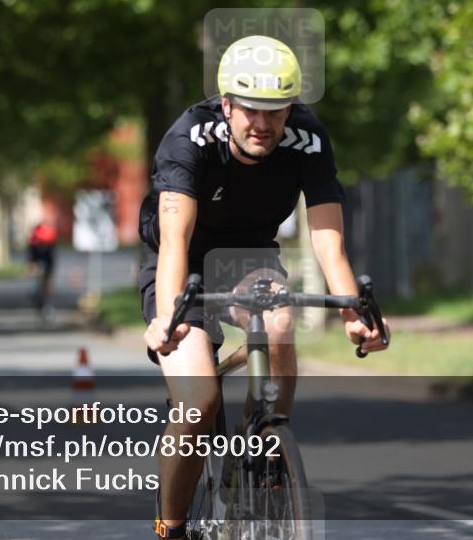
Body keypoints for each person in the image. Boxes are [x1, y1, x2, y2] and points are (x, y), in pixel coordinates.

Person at [139, 35, 390, 539]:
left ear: (291, 108)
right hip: (181, 260)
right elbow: (173, 240)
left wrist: (352, 316)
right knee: (198, 402)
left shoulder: (309, 139)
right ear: (227, 104)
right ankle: (171, 527)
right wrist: (168, 318)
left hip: (250, 256)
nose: (262, 124)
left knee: (278, 325)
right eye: (251, 109)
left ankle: (268, 454)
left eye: (275, 112)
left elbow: (328, 242)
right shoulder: (190, 138)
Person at [27, 219, 58, 315]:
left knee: (38, 278)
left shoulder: (34, 236)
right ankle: (48, 303)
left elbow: (31, 254)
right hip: (48, 260)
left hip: (38, 259)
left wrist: (31, 267)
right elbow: (52, 253)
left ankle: (38, 295)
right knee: (48, 283)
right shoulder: (49, 236)